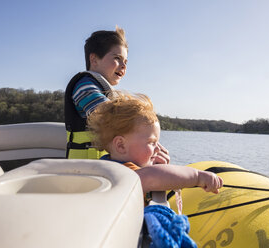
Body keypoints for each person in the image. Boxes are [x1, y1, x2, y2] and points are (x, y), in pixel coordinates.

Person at [87, 92, 223, 198]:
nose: (158, 148)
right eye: (151, 142)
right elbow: (152, 177)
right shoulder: (123, 173)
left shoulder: (110, 163)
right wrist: (198, 177)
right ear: (121, 145)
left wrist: (153, 163)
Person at [64, 26, 169, 163]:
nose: (124, 66)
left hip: (101, 166)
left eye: (125, 62)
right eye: (117, 58)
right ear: (94, 60)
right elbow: (111, 116)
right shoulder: (84, 86)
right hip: (82, 171)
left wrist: (152, 149)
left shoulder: (104, 90)